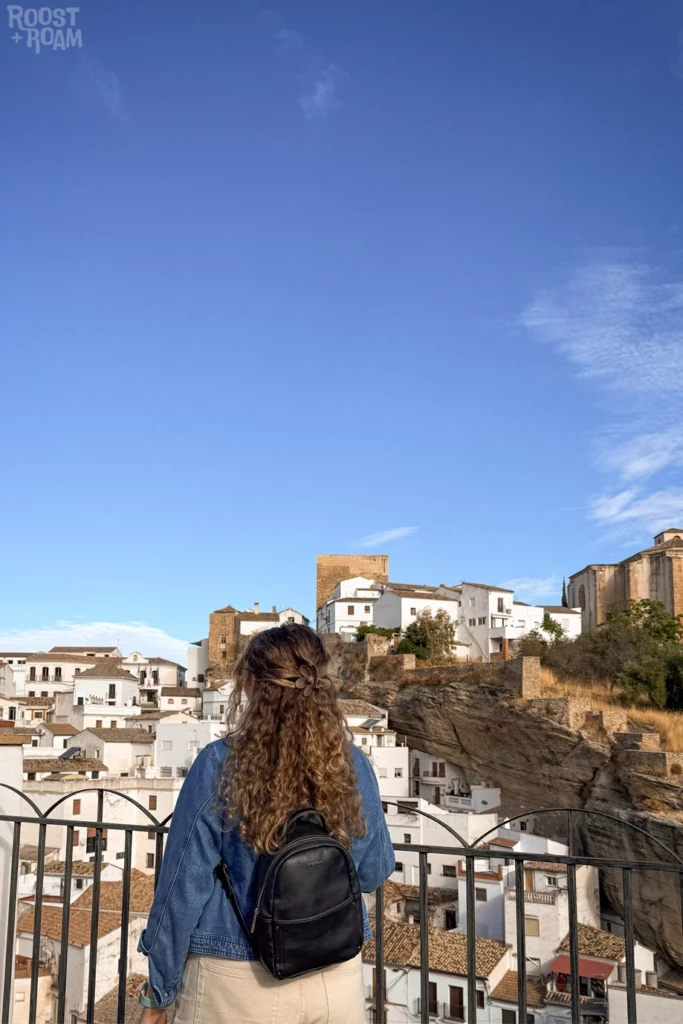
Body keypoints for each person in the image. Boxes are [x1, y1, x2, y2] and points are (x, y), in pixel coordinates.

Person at [138, 623, 395, 1024]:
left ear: (252, 685)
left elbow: (181, 890)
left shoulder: (219, 765)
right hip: (335, 975)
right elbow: (372, 873)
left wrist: (160, 991)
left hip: (237, 980)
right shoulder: (352, 764)